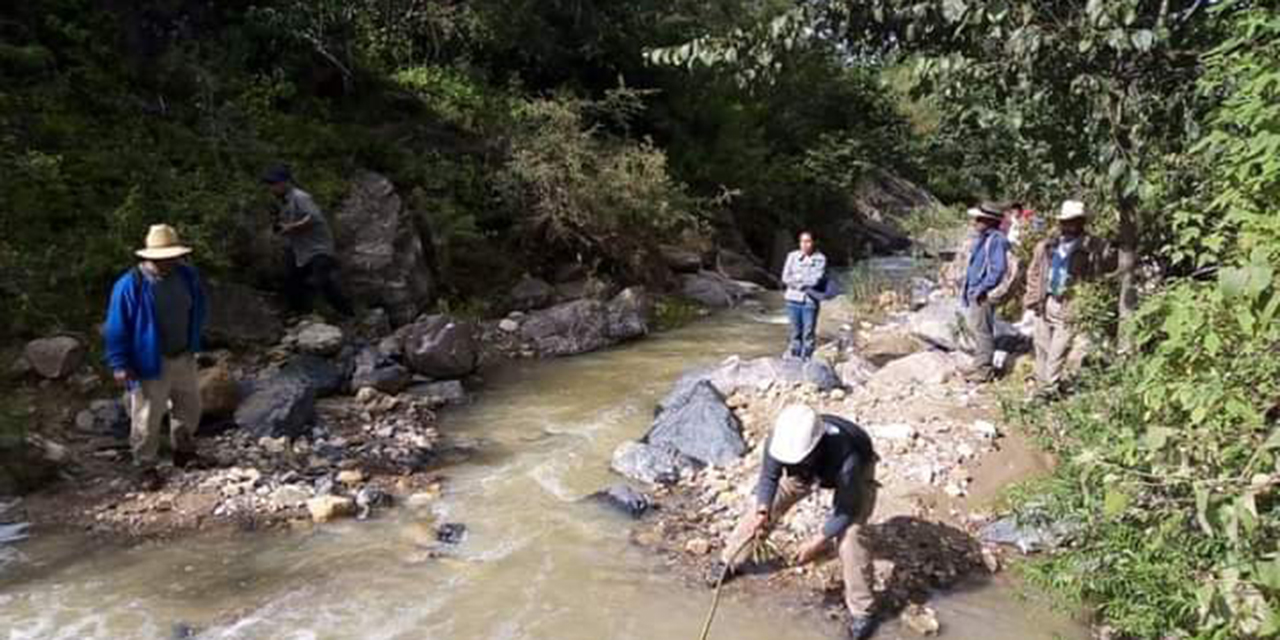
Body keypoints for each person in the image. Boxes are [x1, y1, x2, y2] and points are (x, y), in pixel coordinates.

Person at [708, 404, 881, 640]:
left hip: (854, 473)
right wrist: (762, 510)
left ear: (814, 447)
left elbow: (846, 510)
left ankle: (863, 612)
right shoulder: (780, 440)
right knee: (761, 511)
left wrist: (818, 542)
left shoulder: (846, 457)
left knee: (851, 537)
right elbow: (769, 478)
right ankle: (729, 561)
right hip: (803, 471)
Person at [104, 224, 210, 490]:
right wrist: (119, 363)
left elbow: (198, 306)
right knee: (147, 416)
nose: (169, 262)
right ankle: (145, 467)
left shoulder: (187, 275)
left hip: (183, 354)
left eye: (173, 257)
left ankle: (184, 453)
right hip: (149, 360)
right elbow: (116, 327)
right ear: (149, 257)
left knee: (190, 407)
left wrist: (196, 340)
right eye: (164, 258)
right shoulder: (129, 285)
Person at [1023, 200, 1113, 398]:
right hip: (1045, 301)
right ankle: (1041, 388)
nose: (1069, 226)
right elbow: (1034, 271)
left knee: (1058, 351)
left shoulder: (1092, 246)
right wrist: (1032, 297)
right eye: (1066, 222)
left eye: (1074, 222)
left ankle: (1048, 390)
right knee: (1042, 348)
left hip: (1070, 304)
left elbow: (1103, 271)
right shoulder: (1048, 245)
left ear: (1081, 222)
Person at [263, 165, 354, 318]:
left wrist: (291, 227)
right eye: (270, 184)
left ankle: (348, 314)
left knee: (322, 282)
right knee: (291, 281)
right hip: (301, 250)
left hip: (319, 248)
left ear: (285, 182)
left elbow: (312, 218)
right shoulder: (283, 200)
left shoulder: (300, 197)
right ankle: (299, 314)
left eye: (274, 183)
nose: (271, 187)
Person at [960, 202, 1010, 383]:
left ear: (989, 221)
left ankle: (984, 370)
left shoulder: (995, 240)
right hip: (977, 291)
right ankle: (979, 364)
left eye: (979, 219)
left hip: (984, 294)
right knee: (979, 328)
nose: (975, 222)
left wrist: (981, 289)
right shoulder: (985, 238)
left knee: (983, 331)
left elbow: (998, 270)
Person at [781, 231, 827, 361]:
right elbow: (785, 277)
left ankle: (807, 358)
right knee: (795, 332)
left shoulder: (820, 258)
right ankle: (795, 357)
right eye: (802, 241)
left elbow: (815, 280)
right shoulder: (792, 256)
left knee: (808, 333)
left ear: (813, 243)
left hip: (810, 301)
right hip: (792, 300)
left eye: (808, 241)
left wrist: (797, 279)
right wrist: (802, 283)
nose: (804, 245)